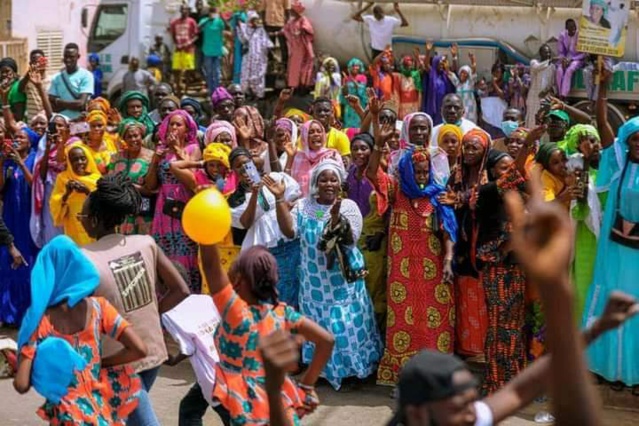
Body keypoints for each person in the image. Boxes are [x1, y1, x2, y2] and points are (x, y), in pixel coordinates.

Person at [385, 170, 639, 426]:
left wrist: (596, 329)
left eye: (472, 397)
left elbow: (521, 389)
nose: (473, 408)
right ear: (418, 413)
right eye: (461, 401)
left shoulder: (467, 419)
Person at [79, 173, 190, 426]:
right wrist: (151, 313)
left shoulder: (83, 258)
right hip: (152, 350)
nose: (82, 222)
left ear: (94, 220)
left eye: (82, 217)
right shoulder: (146, 243)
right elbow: (181, 289)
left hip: (115, 360)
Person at [271, 159, 382, 390]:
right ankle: (322, 369)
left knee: (346, 323)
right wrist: (279, 199)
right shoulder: (303, 206)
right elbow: (289, 230)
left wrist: (336, 222)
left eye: (333, 179)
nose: (328, 184)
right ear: (315, 182)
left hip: (343, 281)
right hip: (314, 282)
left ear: (340, 182)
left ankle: (355, 371)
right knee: (319, 324)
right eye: (323, 179)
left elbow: (351, 239)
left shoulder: (349, 207)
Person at [14, 235, 147, 425]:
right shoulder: (100, 308)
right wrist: (98, 364)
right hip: (99, 411)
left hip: (67, 416)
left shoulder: (39, 322)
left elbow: (21, 384)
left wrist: (21, 361)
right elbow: (139, 349)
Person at [367, 107, 457, 386]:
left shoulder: (437, 194)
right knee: (403, 322)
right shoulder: (396, 191)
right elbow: (372, 174)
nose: (420, 175)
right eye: (416, 171)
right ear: (405, 170)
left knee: (436, 320)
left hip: (433, 271)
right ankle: (402, 376)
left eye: (424, 171)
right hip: (403, 274)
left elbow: (447, 231)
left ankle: (437, 374)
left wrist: (448, 260)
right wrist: (379, 143)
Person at [198, 243, 333, 424]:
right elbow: (327, 340)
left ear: (238, 279)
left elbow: (210, 265)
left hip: (250, 409)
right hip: (282, 407)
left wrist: (206, 229)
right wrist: (307, 385)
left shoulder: (235, 314)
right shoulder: (282, 314)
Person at [582, 116, 639, 388]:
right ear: (627, 142)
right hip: (615, 248)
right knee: (612, 298)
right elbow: (602, 122)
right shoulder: (618, 163)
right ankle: (608, 368)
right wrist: (602, 87)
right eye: (634, 139)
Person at [476, 149, 530, 394]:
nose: (509, 173)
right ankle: (496, 382)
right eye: (503, 168)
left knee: (516, 325)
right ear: (492, 171)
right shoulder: (487, 194)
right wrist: (528, 143)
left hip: (517, 267)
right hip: (497, 268)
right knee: (499, 327)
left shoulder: (518, 198)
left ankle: (515, 379)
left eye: (512, 168)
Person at [444, 129, 492, 360]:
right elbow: (446, 201)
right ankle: (466, 347)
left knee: (483, 294)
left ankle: (482, 349)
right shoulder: (456, 175)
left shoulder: (490, 174)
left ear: (484, 150)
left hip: (483, 241)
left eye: (475, 147)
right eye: (467, 147)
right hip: (462, 241)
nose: (470, 151)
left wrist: (463, 199)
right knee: (464, 293)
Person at [144, 110, 202, 293]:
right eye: (172, 124)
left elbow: (193, 179)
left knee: (186, 253)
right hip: (164, 207)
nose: (174, 128)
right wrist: (156, 159)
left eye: (179, 124)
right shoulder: (161, 150)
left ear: (187, 130)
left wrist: (177, 150)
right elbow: (150, 185)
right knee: (164, 253)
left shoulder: (193, 149)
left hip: (185, 204)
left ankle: (188, 293)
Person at [346, 132, 388, 328]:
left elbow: (391, 206)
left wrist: (382, 232)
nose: (359, 152)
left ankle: (378, 337)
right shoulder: (350, 174)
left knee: (375, 287)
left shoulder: (380, 176)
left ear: (372, 152)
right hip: (354, 240)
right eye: (355, 148)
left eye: (364, 148)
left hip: (374, 240)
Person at [0, 121, 37, 326]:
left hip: (28, 216)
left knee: (26, 261)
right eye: (16, 137)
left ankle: (26, 312)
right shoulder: (7, 162)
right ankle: (7, 313)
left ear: (30, 142)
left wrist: (21, 164)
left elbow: (35, 186)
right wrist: (2, 162)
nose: (17, 139)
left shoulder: (34, 160)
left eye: (22, 137)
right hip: (10, 216)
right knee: (7, 258)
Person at [108, 119, 155, 235]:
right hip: (122, 211)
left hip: (144, 211)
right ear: (124, 139)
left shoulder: (151, 157)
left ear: (142, 136)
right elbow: (110, 183)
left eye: (136, 136)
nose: (133, 140)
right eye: (129, 137)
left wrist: (130, 186)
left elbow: (153, 188)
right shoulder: (116, 158)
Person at [50, 142, 101, 245]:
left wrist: (87, 192)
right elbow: (54, 204)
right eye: (74, 160)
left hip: (94, 226)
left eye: (83, 158)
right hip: (73, 228)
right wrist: (67, 193)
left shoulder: (97, 179)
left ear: (88, 159)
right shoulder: (63, 178)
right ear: (69, 161)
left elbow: (105, 204)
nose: (79, 162)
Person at [30, 114, 69, 248]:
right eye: (55, 125)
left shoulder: (73, 143)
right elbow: (41, 174)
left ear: (67, 128)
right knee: (52, 228)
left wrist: (61, 144)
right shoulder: (44, 144)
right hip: (50, 190)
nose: (57, 128)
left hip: (67, 192)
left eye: (61, 125)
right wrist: (48, 148)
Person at [287, 119, 340, 196]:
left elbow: (340, 183)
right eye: (311, 132)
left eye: (319, 131)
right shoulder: (298, 157)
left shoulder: (333, 155)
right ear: (304, 136)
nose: (316, 134)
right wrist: (290, 158)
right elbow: (288, 181)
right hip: (300, 204)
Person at [48, 43, 94, 120]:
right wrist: (73, 104)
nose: (68, 60)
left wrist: (58, 101)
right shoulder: (56, 77)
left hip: (79, 121)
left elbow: (81, 103)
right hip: (61, 123)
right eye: (66, 56)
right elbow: (52, 104)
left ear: (78, 57)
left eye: (71, 57)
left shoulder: (86, 75)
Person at [238, 12, 273, 100]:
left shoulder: (261, 30)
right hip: (248, 57)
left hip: (259, 58)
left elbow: (266, 42)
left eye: (255, 20)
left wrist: (268, 50)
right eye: (252, 20)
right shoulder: (245, 29)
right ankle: (248, 93)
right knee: (246, 75)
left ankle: (258, 94)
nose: (254, 22)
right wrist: (240, 27)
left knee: (258, 75)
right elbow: (243, 39)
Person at [281, 1, 315, 90]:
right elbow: (285, 30)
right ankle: (293, 85)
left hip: (303, 46)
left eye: (292, 10)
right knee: (294, 67)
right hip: (295, 48)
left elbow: (309, 30)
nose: (291, 12)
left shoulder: (303, 19)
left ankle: (303, 85)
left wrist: (302, 31)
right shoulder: (291, 22)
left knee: (303, 67)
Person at [421, 46, 455, 125]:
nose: (441, 66)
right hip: (433, 104)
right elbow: (426, 64)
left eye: (442, 65)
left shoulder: (445, 75)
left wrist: (454, 57)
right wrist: (428, 51)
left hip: (443, 104)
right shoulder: (432, 74)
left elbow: (453, 70)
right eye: (439, 64)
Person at [170, 5, 199, 96]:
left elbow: (196, 35)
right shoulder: (175, 22)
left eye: (185, 9)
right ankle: (178, 90)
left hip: (188, 50)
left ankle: (186, 90)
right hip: (178, 50)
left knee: (188, 71)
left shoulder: (192, 22)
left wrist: (189, 43)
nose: (184, 11)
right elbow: (173, 35)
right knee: (176, 70)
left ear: (188, 11)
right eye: (182, 9)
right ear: (180, 10)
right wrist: (177, 44)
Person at [525, 44, 555, 128]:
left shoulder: (552, 67)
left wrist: (546, 91)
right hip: (534, 96)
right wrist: (550, 61)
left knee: (542, 119)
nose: (548, 54)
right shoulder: (534, 62)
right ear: (540, 53)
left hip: (545, 96)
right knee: (532, 118)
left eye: (549, 52)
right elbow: (537, 68)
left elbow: (553, 82)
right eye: (546, 52)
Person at [199, 7, 226, 95]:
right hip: (207, 51)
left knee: (217, 73)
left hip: (217, 51)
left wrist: (222, 17)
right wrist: (208, 19)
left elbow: (226, 28)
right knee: (209, 72)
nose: (214, 13)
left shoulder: (219, 21)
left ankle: (217, 91)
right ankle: (211, 92)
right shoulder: (204, 20)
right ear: (209, 13)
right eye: (212, 12)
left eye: (215, 12)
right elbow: (198, 28)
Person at [556, 19, 585, 100]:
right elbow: (560, 51)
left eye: (574, 26)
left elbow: (584, 54)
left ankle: (564, 95)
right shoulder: (562, 35)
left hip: (577, 59)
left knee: (570, 70)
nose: (573, 29)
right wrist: (563, 60)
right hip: (566, 58)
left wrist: (571, 59)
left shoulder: (580, 35)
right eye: (571, 27)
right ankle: (559, 93)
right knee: (559, 70)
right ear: (566, 28)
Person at [19, 50, 52, 121]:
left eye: (39, 61)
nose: (37, 64)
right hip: (32, 121)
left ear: (44, 62)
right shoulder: (26, 80)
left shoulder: (51, 80)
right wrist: (29, 72)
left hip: (47, 121)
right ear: (30, 64)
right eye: (35, 62)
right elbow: (20, 89)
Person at [448, 52, 478, 124]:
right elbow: (449, 73)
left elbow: (473, 70)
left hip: (470, 108)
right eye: (462, 72)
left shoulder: (470, 83)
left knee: (470, 124)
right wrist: (454, 56)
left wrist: (473, 60)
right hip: (460, 108)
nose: (463, 74)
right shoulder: (457, 83)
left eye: (465, 73)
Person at [84, 110, 118, 174]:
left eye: (100, 126)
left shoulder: (112, 140)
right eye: (93, 126)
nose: (96, 128)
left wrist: (118, 122)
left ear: (105, 127)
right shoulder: (83, 147)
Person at [340, 58, 368, 129]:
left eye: (357, 66)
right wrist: (344, 86)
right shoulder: (346, 78)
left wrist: (352, 80)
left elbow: (362, 90)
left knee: (359, 121)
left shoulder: (362, 78)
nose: (355, 67)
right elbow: (344, 93)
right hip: (349, 104)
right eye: (353, 66)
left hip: (359, 102)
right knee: (348, 122)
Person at [230, 10, 248, 85]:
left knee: (240, 61)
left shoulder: (244, 14)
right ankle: (238, 81)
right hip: (241, 42)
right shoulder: (238, 15)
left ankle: (238, 81)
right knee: (239, 61)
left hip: (241, 41)